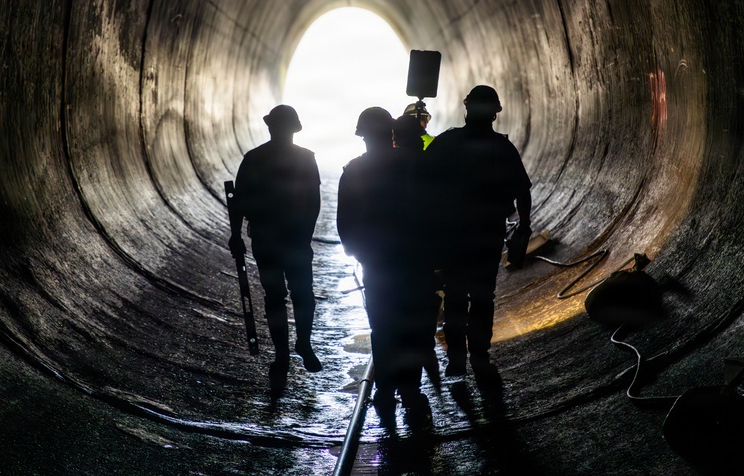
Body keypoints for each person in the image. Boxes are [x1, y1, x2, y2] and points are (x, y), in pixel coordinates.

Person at [424, 85, 532, 387]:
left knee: (456, 295)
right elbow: (522, 190)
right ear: (495, 113)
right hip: (487, 233)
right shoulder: (502, 148)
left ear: (466, 107)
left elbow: (420, 185)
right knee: (483, 296)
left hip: (454, 235)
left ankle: (457, 359)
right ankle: (480, 356)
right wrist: (524, 226)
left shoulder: (447, 143)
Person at [337, 108, 435, 426]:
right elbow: (436, 211)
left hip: (378, 264)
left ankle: (385, 392)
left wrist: (361, 254)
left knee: (384, 328)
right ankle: (410, 392)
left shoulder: (353, 171)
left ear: (363, 136)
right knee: (414, 327)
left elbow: (345, 223)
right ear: (391, 133)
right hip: (415, 261)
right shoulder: (415, 164)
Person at [228, 105, 322, 394]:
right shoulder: (304, 159)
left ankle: (286, 353)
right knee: (300, 294)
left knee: (277, 298)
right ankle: (299, 345)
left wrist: (236, 235)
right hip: (289, 239)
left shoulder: (255, 158)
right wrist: (305, 235)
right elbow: (313, 202)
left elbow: (239, 202)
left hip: (268, 239)